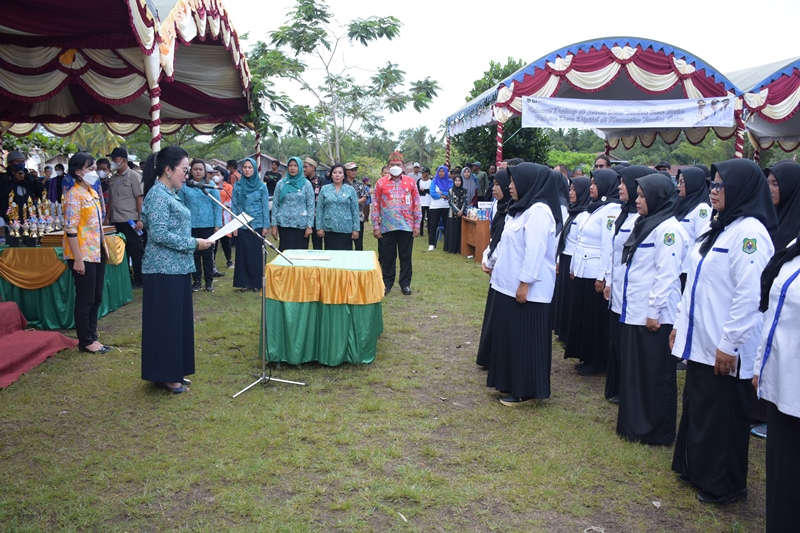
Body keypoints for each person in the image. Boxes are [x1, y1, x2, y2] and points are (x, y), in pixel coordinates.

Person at [670, 158, 777, 505]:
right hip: (703, 339)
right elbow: (694, 283)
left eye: (720, 185)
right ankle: (697, 469)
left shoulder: (751, 234)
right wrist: (680, 326)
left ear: (741, 189)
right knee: (701, 405)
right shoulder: (721, 226)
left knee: (723, 414)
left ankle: (725, 483)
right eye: (712, 185)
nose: (713, 191)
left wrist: (729, 344)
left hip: (725, 343)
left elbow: (749, 296)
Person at [482, 162, 562, 406]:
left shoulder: (539, 211)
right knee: (512, 338)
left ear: (529, 183)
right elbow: (506, 244)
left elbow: (535, 251)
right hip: (507, 285)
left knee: (526, 341)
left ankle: (526, 390)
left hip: (529, 290)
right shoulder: (521, 209)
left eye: (514, 182)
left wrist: (525, 283)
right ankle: (509, 382)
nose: (510, 186)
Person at [616, 173, 688, 444]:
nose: (637, 200)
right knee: (638, 372)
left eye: (643, 196)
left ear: (657, 197)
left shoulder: (668, 230)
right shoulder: (648, 223)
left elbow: (666, 274)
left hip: (654, 315)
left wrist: (653, 311)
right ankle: (635, 425)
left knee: (654, 374)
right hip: (636, 310)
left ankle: (654, 429)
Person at [140, 146, 213, 393]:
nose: (187, 174)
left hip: (178, 267)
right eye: (183, 170)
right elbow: (159, 234)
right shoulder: (158, 195)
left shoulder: (172, 193)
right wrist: (194, 243)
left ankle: (173, 370)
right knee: (166, 323)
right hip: (163, 270)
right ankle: (166, 374)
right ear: (168, 170)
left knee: (177, 323)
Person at [753, 228, 800, 531]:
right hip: (784, 381)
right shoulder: (795, 245)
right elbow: (773, 315)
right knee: (785, 471)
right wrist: (761, 365)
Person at [565, 169, 623, 375]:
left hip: (595, 271)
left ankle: (598, 360)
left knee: (594, 318)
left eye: (595, 183)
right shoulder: (595, 208)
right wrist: (574, 267)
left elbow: (608, 247)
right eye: (590, 183)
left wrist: (602, 277)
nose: (590, 187)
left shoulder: (611, 210)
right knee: (582, 315)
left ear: (606, 185)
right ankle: (587, 355)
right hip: (583, 268)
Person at [604, 166, 650, 401]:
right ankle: (617, 386)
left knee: (627, 341)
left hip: (632, 288)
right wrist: (609, 280)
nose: (620, 187)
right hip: (618, 286)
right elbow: (614, 251)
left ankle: (627, 390)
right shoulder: (625, 213)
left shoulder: (642, 218)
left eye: (624, 183)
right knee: (617, 338)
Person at [63, 152, 111, 354]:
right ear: (78, 172)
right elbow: (70, 228)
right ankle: (85, 341)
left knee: (96, 296)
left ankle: (92, 336)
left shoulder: (91, 192)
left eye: (95, 168)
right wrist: (78, 260)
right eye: (90, 169)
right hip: (81, 254)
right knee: (85, 298)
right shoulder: (74, 195)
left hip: (97, 251)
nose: (95, 172)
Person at [476, 168, 512, 369]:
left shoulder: (513, 210)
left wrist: (492, 259)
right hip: (495, 267)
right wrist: (487, 257)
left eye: (498, 185)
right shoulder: (501, 207)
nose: (494, 189)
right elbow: (494, 238)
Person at [371, 152, 421, 295]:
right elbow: (376, 205)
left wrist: (417, 225)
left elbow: (417, 203)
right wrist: (376, 226)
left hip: (406, 225)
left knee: (405, 256)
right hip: (387, 226)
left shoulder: (410, 182)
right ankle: (387, 283)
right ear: (388, 166)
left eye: (398, 165)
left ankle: (405, 284)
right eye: (392, 165)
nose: (395, 167)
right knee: (387, 257)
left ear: (403, 166)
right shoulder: (381, 183)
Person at [553, 177, 591, 344]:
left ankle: (569, 333)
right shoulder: (573, 210)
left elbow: (579, 242)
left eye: (575, 190)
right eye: (570, 189)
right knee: (563, 297)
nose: (571, 193)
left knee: (570, 298)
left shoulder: (584, 214)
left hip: (575, 260)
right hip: (565, 257)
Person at [178, 161, 221, 292]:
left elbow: (217, 206)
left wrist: (217, 224)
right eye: (195, 169)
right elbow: (180, 205)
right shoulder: (185, 186)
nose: (198, 172)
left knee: (208, 255)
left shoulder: (211, 186)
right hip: (191, 225)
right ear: (191, 171)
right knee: (194, 254)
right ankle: (196, 281)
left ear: (204, 171)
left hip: (208, 224)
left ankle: (209, 282)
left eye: (201, 169)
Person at [105, 147, 145, 289]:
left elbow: (139, 198)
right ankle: (126, 277)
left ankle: (139, 278)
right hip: (116, 220)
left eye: (115, 159)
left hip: (130, 220)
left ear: (123, 160)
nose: (113, 162)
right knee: (120, 251)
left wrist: (140, 219)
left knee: (135, 250)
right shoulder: (113, 178)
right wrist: (107, 218)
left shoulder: (134, 176)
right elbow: (111, 200)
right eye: (112, 159)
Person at [232, 158, 270, 291]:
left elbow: (265, 206)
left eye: (250, 168)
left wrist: (266, 225)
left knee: (256, 255)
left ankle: (256, 283)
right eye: (245, 167)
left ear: (254, 169)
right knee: (243, 254)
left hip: (257, 224)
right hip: (242, 224)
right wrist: (234, 225)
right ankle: (244, 283)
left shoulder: (261, 186)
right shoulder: (238, 186)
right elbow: (234, 206)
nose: (247, 170)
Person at [675, 167, 712, 290]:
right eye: (678, 181)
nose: (678, 185)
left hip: (688, 268)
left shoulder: (702, 209)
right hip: (677, 266)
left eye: (682, 182)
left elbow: (702, 241)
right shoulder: (682, 205)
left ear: (693, 183)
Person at [271, 156, 314, 253]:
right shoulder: (281, 184)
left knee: (300, 255)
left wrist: (309, 226)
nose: (292, 168)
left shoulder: (306, 184)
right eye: (290, 165)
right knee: (285, 254)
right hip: (284, 225)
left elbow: (311, 205)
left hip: (301, 226)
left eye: (295, 166)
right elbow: (275, 205)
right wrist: (274, 225)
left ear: (300, 168)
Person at [316, 163, 359, 250]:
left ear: (344, 175)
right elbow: (320, 209)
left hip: (346, 228)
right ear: (331, 175)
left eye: (340, 173)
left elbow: (355, 210)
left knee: (345, 257)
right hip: (329, 228)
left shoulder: (350, 190)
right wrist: (319, 227)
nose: (337, 175)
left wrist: (356, 229)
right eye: (334, 172)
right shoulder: (324, 189)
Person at [1, 151, 43, 224]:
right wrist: (14, 181)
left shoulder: (28, 177)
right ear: (10, 163)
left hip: (30, 217)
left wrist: (36, 180)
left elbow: (42, 194)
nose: (21, 164)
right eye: (18, 161)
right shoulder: (3, 178)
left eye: (23, 161)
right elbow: (2, 193)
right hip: (10, 217)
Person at [304, 157, 329, 250]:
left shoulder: (322, 181)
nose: (304, 169)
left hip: (317, 217)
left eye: (306, 167)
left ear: (313, 168)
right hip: (305, 216)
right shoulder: (303, 182)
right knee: (303, 244)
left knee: (317, 245)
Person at [344, 162, 369, 250]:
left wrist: (352, 203)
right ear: (346, 171)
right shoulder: (342, 184)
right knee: (346, 243)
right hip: (344, 218)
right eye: (352, 170)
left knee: (358, 243)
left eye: (355, 170)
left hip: (358, 217)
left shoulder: (360, 184)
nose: (354, 172)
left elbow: (365, 198)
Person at [427, 165, 452, 251]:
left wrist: (442, 193)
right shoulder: (434, 181)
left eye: (443, 171)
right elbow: (432, 193)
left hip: (446, 206)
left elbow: (450, 193)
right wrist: (444, 196)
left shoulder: (450, 181)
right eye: (440, 171)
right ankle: (431, 244)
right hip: (435, 206)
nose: (441, 173)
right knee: (433, 225)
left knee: (447, 225)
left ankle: (447, 244)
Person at [214, 166, 235, 269]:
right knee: (213, 241)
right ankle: (212, 263)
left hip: (224, 216)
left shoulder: (228, 187)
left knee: (225, 240)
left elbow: (229, 200)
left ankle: (229, 260)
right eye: (214, 175)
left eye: (218, 175)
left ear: (223, 176)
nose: (215, 177)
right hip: (213, 217)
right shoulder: (210, 186)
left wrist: (221, 207)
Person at [444, 173, 467, 254]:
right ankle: (452, 248)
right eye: (456, 180)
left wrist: (461, 211)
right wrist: (457, 211)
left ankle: (459, 249)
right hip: (452, 214)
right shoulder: (451, 190)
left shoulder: (464, 191)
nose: (457, 182)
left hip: (461, 214)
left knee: (460, 231)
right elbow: (450, 202)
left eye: (459, 181)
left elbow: (465, 202)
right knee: (453, 231)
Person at [417, 168, 432, 237]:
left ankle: (429, 231)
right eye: (423, 173)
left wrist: (424, 190)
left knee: (429, 217)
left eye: (425, 173)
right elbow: (417, 191)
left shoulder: (431, 181)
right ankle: (421, 232)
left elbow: (431, 191)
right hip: (421, 201)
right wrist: (424, 191)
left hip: (429, 202)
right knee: (421, 217)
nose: (424, 174)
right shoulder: (419, 181)